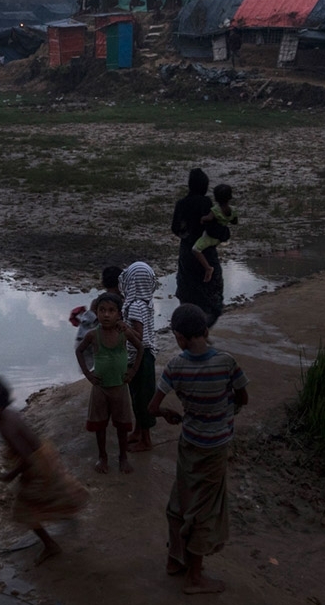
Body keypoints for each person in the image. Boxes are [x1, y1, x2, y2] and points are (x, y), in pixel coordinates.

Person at [149, 304, 249, 595]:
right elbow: (243, 396)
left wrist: (168, 413)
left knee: (181, 499)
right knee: (205, 509)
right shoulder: (226, 362)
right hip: (215, 446)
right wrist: (228, 408)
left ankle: (174, 561)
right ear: (206, 331)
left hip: (189, 442)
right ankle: (194, 578)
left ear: (179, 338)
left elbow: (152, 408)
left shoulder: (175, 366)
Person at [0, 376, 89, 565]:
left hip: (37, 466)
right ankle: (69, 509)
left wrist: (12, 474)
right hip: (45, 455)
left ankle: (51, 545)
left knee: (25, 510)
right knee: (56, 488)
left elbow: (26, 457)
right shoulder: (9, 414)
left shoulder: (5, 426)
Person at [75, 293, 142, 474]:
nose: (106, 315)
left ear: (119, 314)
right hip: (100, 388)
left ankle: (123, 457)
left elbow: (140, 346)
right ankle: (102, 457)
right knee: (100, 425)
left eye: (111, 311)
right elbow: (79, 351)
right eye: (102, 310)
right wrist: (88, 374)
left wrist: (133, 371)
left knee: (121, 426)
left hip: (120, 386)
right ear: (96, 312)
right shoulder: (93, 335)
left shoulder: (123, 332)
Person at [171, 169, 222, 326]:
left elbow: (175, 228)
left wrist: (187, 236)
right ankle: (202, 329)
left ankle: (188, 327)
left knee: (188, 292)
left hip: (187, 254)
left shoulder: (181, 204)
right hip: (206, 252)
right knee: (212, 294)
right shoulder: (206, 203)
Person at [120, 261, 159, 452]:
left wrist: (124, 329)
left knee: (142, 398)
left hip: (140, 358)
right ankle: (138, 431)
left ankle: (146, 440)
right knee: (138, 397)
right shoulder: (146, 302)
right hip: (145, 357)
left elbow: (139, 337)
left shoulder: (135, 305)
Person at [191, 184, 238, 284]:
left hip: (210, 236)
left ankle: (208, 268)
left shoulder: (215, 210)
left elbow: (208, 218)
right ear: (230, 197)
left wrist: (202, 219)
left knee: (196, 249)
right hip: (221, 237)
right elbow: (234, 221)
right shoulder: (233, 210)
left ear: (216, 198)